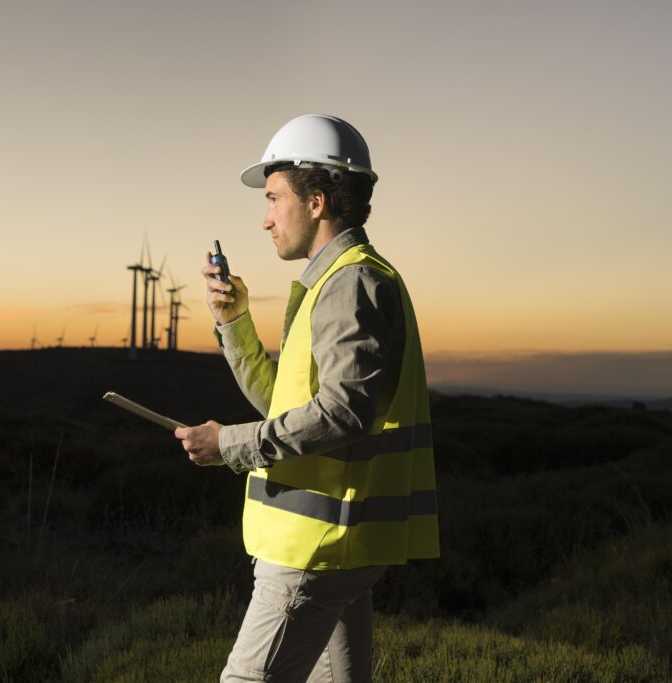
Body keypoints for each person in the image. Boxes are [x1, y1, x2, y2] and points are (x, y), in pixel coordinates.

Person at [175, 114, 439, 682]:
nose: (265, 218)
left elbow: (343, 411)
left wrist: (231, 444)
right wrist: (236, 321)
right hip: (338, 543)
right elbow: (285, 405)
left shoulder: (349, 283)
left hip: (314, 547)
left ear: (316, 201)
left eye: (274, 198)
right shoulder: (339, 279)